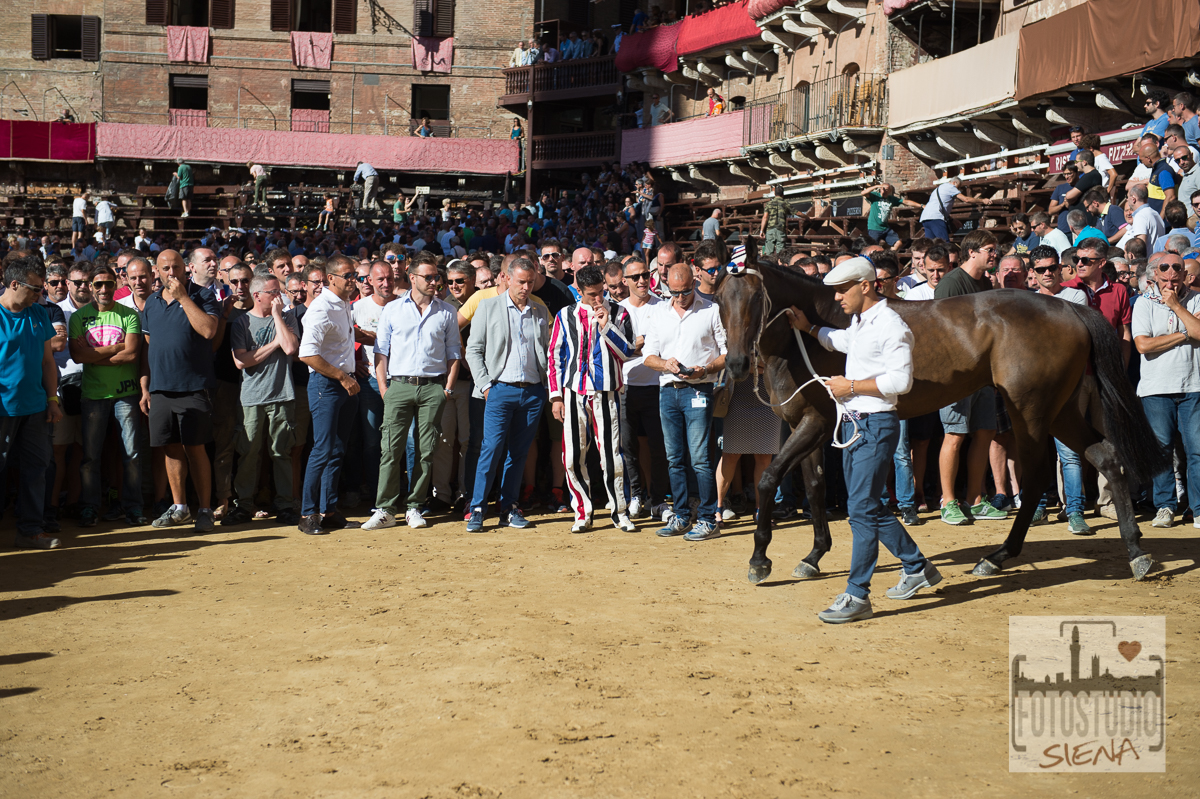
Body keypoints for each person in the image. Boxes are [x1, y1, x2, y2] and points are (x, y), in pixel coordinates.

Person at [786, 257, 941, 623]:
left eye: (843, 289)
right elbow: (843, 342)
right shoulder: (861, 322)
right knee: (867, 505)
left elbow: (901, 382)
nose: (837, 297)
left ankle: (858, 594)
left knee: (860, 509)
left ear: (866, 286)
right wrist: (809, 329)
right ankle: (917, 567)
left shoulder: (891, 324)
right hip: (858, 424)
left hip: (874, 424)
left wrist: (850, 386)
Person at [360, 254, 461, 531]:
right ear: (412, 277)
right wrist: (384, 388)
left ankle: (415, 506)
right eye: (428, 277)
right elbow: (380, 352)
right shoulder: (392, 310)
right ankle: (385, 509)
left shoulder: (446, 311)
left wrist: (447, 389)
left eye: (435, 277)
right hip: (399, 385)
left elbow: (454, 353)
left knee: (425, 449)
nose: (434, 282)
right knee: (390, 449)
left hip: (433, 387)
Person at [548, 264, 639, 533]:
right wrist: (556, 396)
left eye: (601, 292)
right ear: (579, 291)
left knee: (612, 455)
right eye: (591, 294)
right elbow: (555, 357)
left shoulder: (620, 312)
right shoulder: (566, 315)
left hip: (606, 391)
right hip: (574, 392)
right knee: (573, 455)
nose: (598, 299)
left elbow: (627, 351)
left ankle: (619, 511)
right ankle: (582, 512)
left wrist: (606, 325)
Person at [464, 256, 550, 532]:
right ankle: (478, 507)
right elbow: (473, 350)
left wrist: (546, 386)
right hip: (499, 389)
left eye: (530, 282)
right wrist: (486, 385)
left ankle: (509, 507)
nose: (526, 287)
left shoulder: (538, 310)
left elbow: (546, 351)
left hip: (532, 391)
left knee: (519, 453)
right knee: (491, 450)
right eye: (521, 281)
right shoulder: (488, 307)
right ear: (507, 278)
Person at [643, 263, 727, 541]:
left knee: (700, 459)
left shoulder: (710, 310)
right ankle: (680, 515)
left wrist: (706, 369)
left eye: (686, 290)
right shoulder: (658, 313)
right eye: (674, 291)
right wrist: (666, 364)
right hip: (668, 391)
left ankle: (707, 518)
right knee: (674, 458)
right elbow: (648, 356)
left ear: (695, 282)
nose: (680, 296)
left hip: (699, 390)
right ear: (666, 286)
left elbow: (727, 354)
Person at [141, 250, 221, 531]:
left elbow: (209, 331)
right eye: (165, 268)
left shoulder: (203, 296)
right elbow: (151, 343)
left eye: (176, 267)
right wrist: (146, 387)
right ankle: (180, 508)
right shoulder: (150, 302)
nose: (171, 273)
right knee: (170, 449)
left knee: (195, 448)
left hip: (194, 386)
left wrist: (183, 298)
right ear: (157, 271)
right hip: (161, 388)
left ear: (187, 270)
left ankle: (205, 509)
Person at [933, 231, 1007, 525]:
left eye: (996, 249)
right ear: (972, 251)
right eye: (990, 249)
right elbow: (940, 330)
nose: (995, 255)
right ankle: (948, 501)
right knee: (954, 435)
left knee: (985, 433)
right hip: (956, 374)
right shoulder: (951, 283)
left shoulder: (984, 282)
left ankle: (975, 500)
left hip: (982, 374)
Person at [69, 264, 146, 528]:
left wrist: (95, 355)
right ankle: (90, 507)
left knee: (132, 454)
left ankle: (133, 507)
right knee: (91, 456)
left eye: (109, 284)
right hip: (93, 394)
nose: (104, 289)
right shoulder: (79, 317)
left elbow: (133, 354)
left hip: (126, 392)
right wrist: (116, 347)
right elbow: (78, 356)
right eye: (98, 284)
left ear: (116, 285)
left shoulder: (129, 315)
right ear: (90, 287)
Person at [223, 272, 301, 526]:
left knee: (282, 452)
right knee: (248, 453)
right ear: (257, 296)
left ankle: (285, 505)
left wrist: (278, 316)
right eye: (273, 293)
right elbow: (240, 361)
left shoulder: (287, 317)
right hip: (251, 398)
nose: (279, 297)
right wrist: (273, 344)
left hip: (282, 395)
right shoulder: (241, 323)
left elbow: (290, 348)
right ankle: (244, 505)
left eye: (279, 292)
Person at [1132, 251, 1200, 529]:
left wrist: (1176, 307)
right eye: (1164, 269)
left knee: (1197, 451)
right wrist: (1185, 334)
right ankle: (1165, 506)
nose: (1171, 274)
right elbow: (1143, 346)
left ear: (1185, 274)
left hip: (1193, 386)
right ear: (1154, 275)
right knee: (1161, 450)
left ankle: (1198, 509)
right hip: (1156, 387)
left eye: (1177, 269)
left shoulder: (1196, 298)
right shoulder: (1143, 303)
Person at [0, 255, 63, 549]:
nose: (41, 293)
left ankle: (30, 530)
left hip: (36, 407)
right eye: (36, 288)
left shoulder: (38, 314)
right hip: (3, 409)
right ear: (14, 284)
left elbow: (48, 362)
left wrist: (52, 399)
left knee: (36, 469)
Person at [1025, 246, 1089, 532]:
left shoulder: (1075, 295)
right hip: (1033, 387)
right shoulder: (1026, 301)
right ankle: (1038, 507)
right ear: (1033, 273)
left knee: (1070, 452)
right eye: (1041, 269)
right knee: (1034, 449)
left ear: (1061, 268)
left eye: (1052, 267)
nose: (1048, 273)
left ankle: (1074, 509)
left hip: (1065, 384)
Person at [297, 255, 361, 535]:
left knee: (336, 450)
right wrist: (342, 376)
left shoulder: (342, 304)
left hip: (343, 383)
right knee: (322, 449)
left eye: (354, 275)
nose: (352, 280)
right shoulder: (321, 308)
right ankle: (308, 513)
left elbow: (343, 338)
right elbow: (307, 354)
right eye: (347, 276)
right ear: (330, 278)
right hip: (327, 384)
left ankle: (329, 510)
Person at [619, 258, 668, 518]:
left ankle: (658, 499)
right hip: (625, 388)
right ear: (624, 281)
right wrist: (638, 345)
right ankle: (636, 495)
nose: (641, 281)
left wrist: (639, 344)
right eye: (635, 277)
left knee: (659, 448)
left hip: (657, 386)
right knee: (629, 448)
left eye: (645, 275)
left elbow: (665, 345)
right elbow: (616, 350)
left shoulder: (663, 307)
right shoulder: (618, 310)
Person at [430, 260, 476, 508]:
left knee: (469, 440)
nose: (454, 285)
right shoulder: (443, 306)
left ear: (472, 280)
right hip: (446, 381)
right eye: (450, 281)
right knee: (444, 439)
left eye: (460, 280)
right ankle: (441, 494)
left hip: (473, 382)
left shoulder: (483, 302)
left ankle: (466, 494)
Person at [919, 177, 990, 241]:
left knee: (930, 245)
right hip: (936, 218)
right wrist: (982, 200)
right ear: (954, 183)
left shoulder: (938, 189)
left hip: (925, 218)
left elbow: (939, 206)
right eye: (958, 187)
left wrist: (952, 219)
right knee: (944, 243)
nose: (958, 190)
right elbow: (966, 199)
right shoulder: (951, 187)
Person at [759, 188, 794, 257]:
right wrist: (807, 217)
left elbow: (765, 217)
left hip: (770, 230)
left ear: (774, 194)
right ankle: (779, 267)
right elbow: (797, 213)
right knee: (780, 254)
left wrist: (762, 230)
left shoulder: (768, 204)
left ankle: (769, 266)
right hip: (781, 230)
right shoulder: (785, 203)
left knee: (768, 254)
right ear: (783, 195)